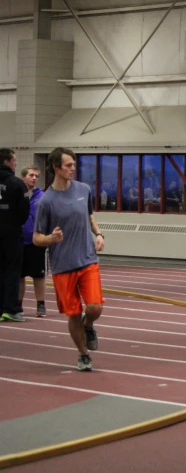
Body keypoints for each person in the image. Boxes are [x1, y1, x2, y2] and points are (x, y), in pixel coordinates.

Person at [34, 147, 106, 372]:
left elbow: (90, 214)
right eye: (68, 165)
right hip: (63, 265)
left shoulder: (84, 189)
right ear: (56, 168)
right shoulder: (46, 201)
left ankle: (89, 325)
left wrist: (99, 234)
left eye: (74, 164)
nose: (72, 168)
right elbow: (37, 238)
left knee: (94, 307)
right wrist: (51, 238)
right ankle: (83, 354)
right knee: (73, 313)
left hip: (87, 259)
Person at [0, 148, 30, 322]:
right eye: (14, 160)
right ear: (6, 162)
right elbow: (24, 211)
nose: (16, 163)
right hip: (11, 234)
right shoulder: (17, 183)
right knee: (12, 271)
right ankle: (10, 308)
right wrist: (14, 223)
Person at [19, 165, 47, 318]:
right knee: (19, 275)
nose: (34, 178)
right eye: (31, 175)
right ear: (23, 177)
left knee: (38, 275)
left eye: (36, 176)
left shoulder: (42, 196)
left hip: (36, 241)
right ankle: (17, 305)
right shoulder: (17, 194)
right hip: (18, 240)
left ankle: (41, 304)